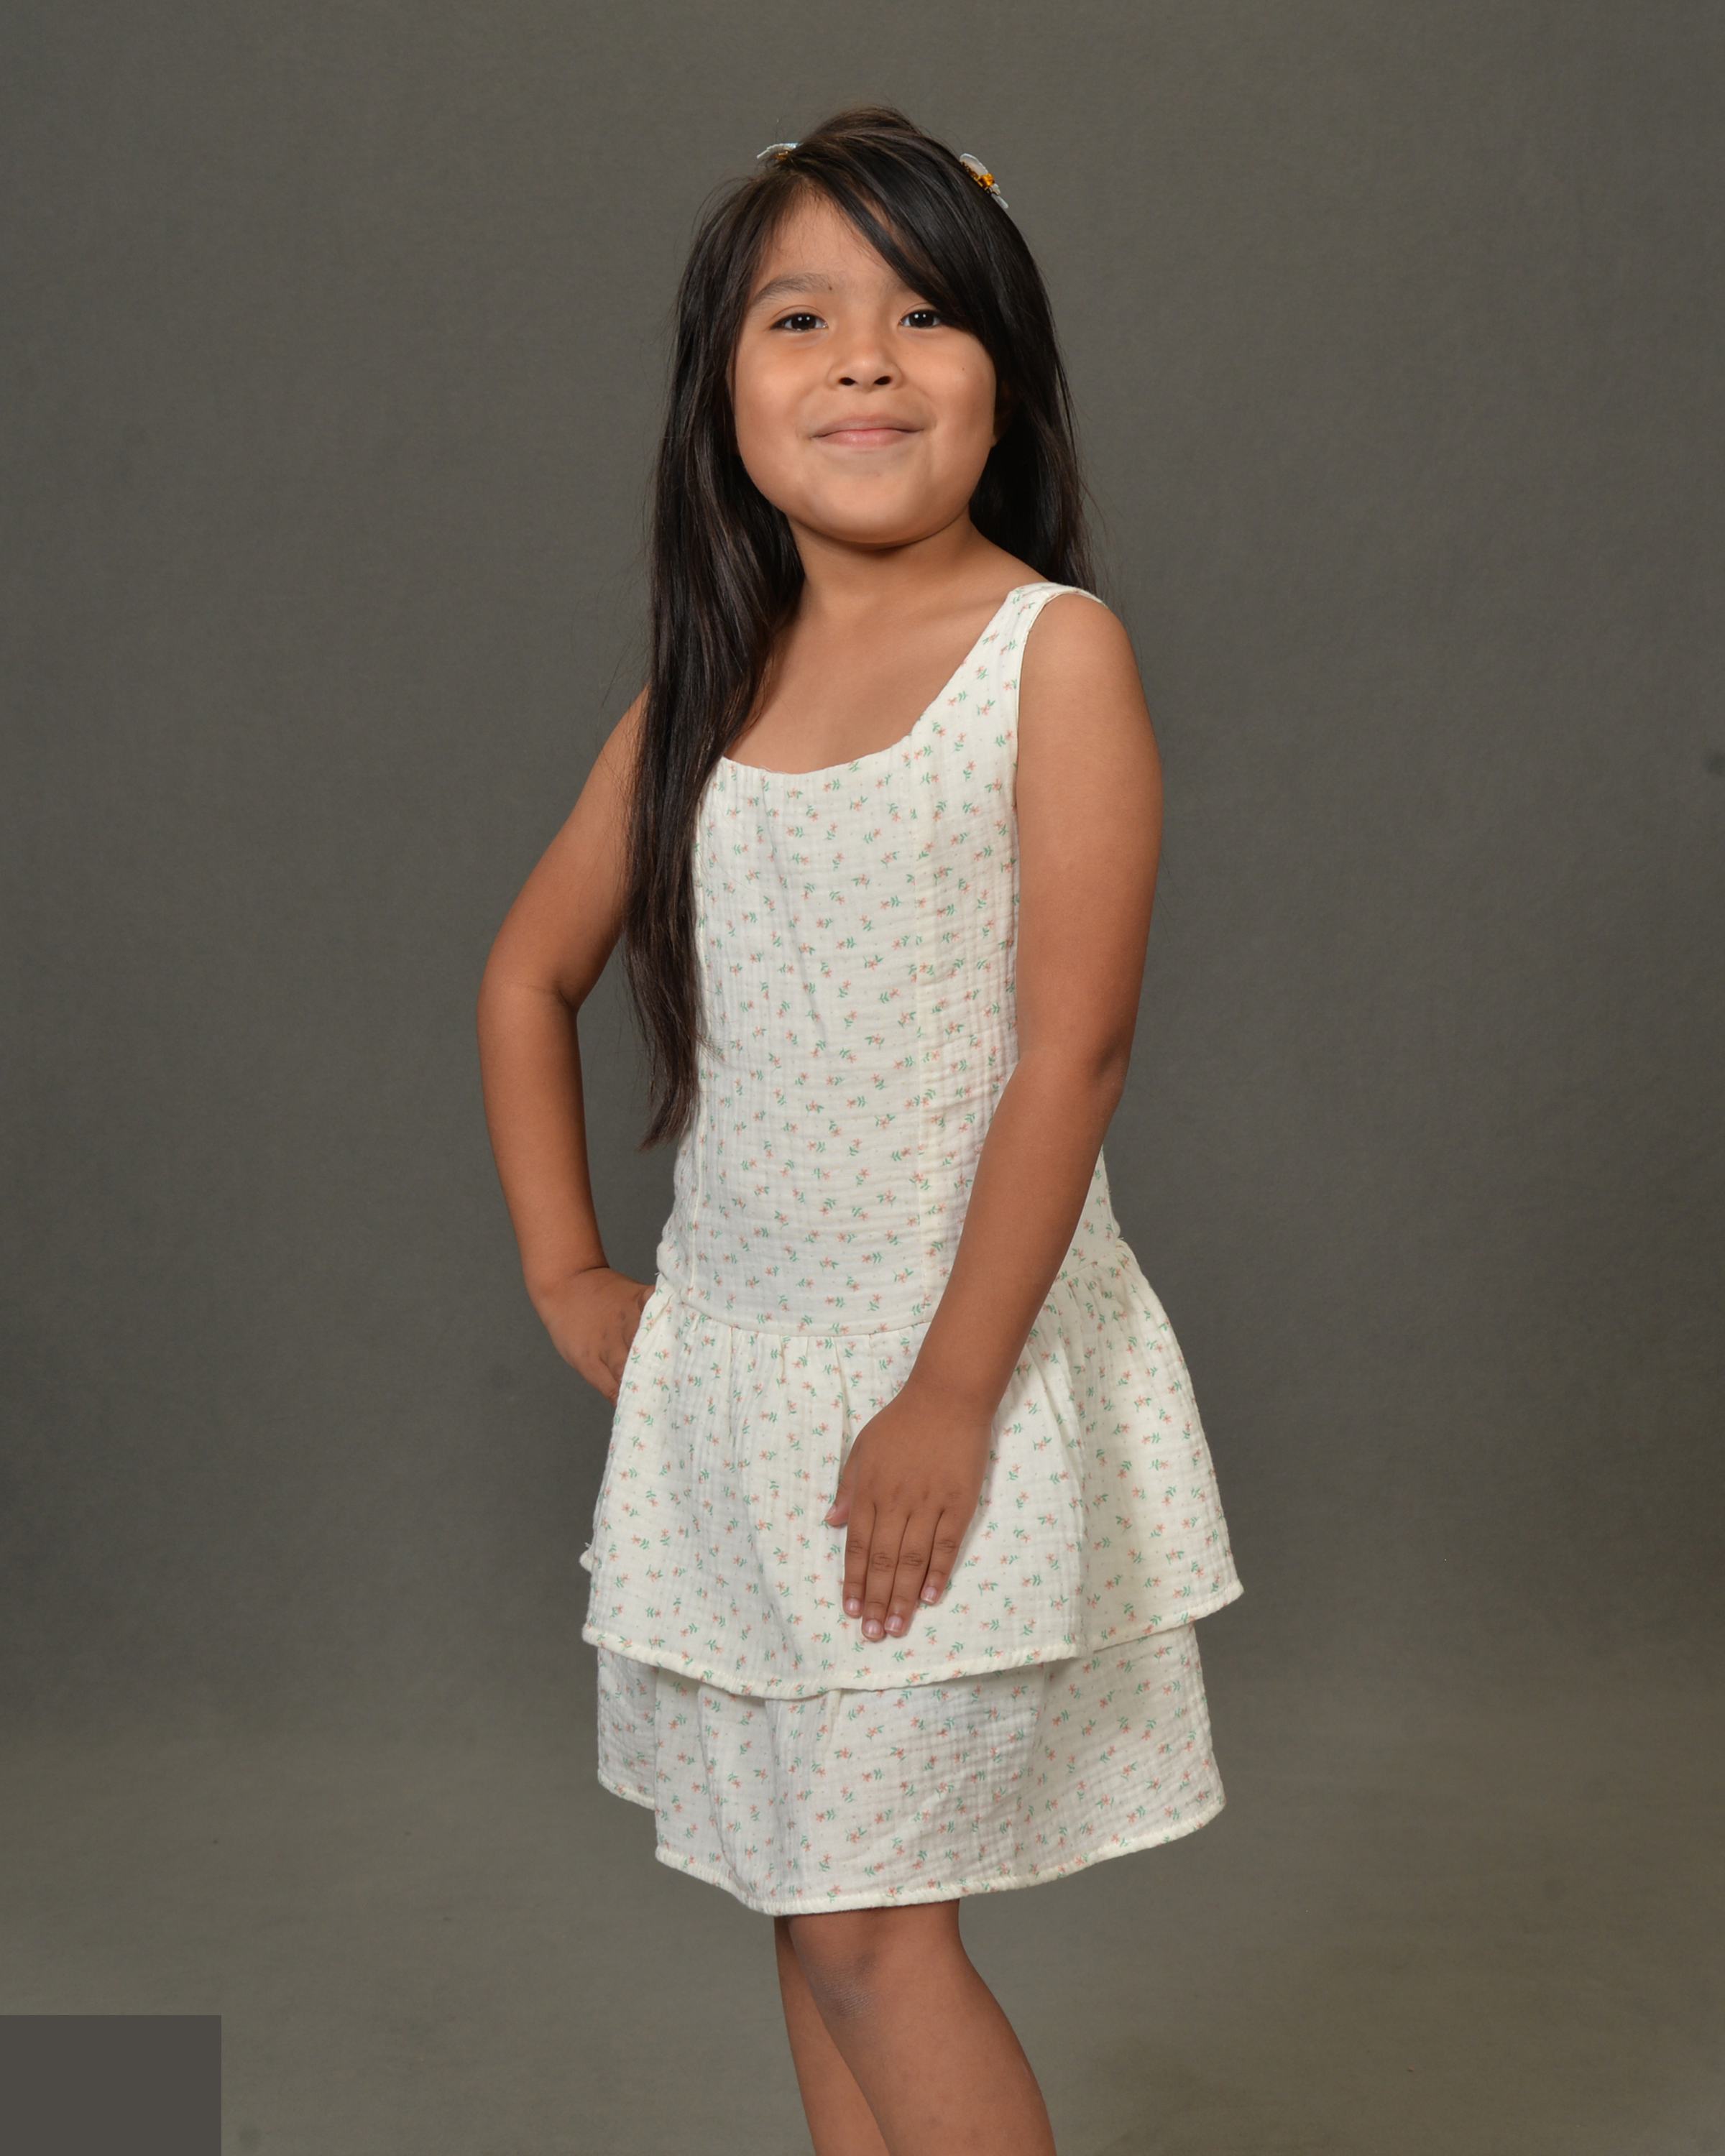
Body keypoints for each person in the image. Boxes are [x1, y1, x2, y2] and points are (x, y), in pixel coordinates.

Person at [477, 104, 1242, 2156]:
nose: (865, 364)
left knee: (873, 1934)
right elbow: (523, 979)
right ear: (723, 395)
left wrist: (952, 1394)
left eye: (924, 316)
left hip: (942, 1369)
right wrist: (568, 1272)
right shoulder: (702, 699)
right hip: (748, 1390)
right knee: (813, 1907)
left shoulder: (1049, 656)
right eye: (800, 320)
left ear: (1007, 375)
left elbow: (1072, 1055)